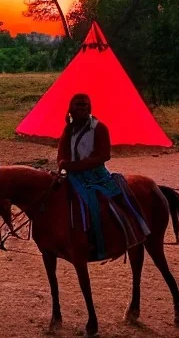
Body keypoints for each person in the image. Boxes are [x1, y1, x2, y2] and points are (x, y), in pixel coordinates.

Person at [56, 93, 149, 261]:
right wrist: (63, 164)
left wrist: (74, 166)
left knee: (93, 200)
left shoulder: (99, 128)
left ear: (89, 108)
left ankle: (103, 240)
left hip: (96, 176)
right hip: (72, 175)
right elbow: (61, 153)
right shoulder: (69, 129)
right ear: (71, 108)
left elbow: (104, 156)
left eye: (85, 105)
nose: (82, 108)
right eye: (78, 105)